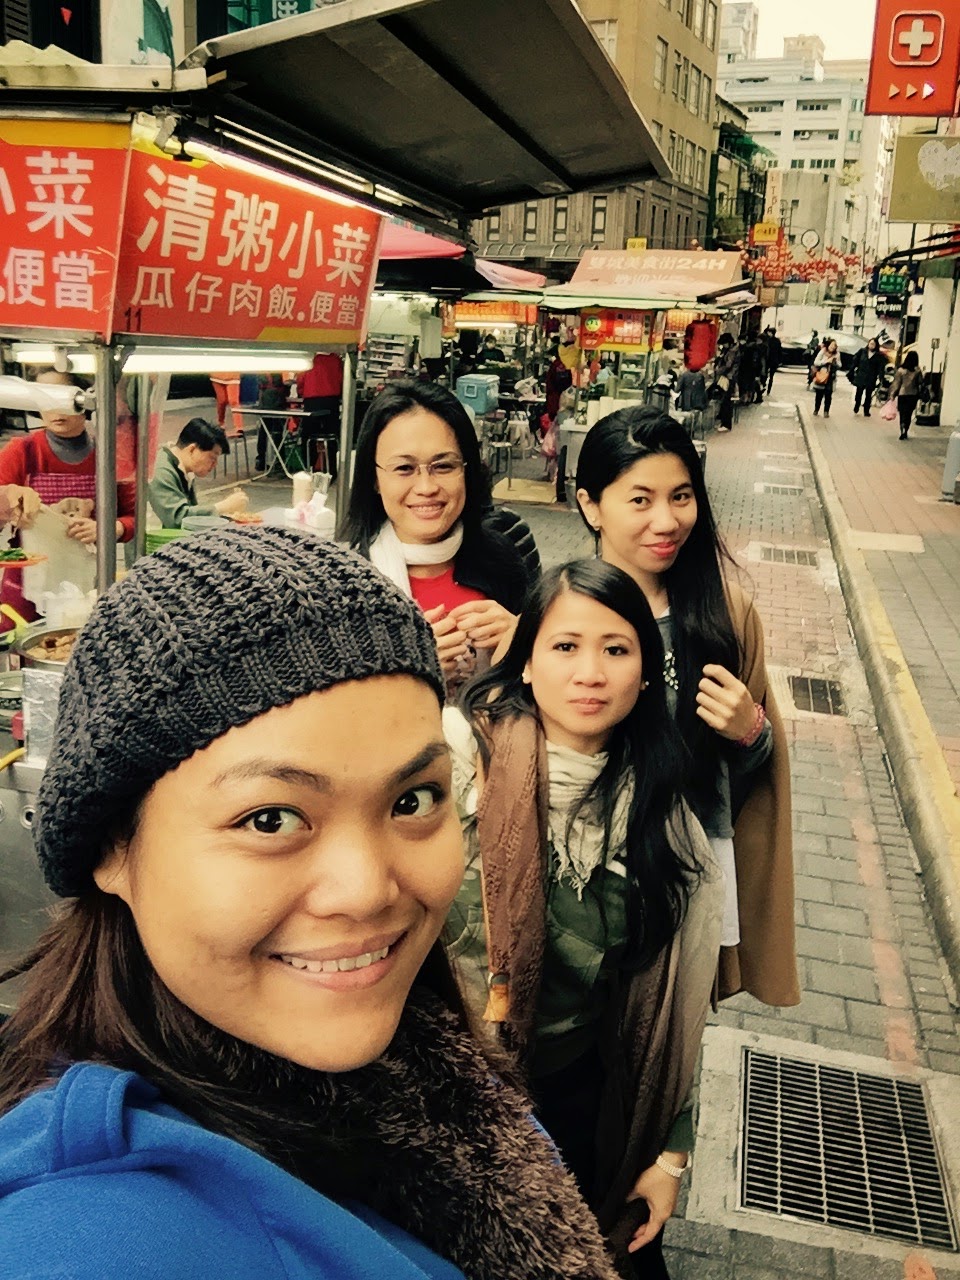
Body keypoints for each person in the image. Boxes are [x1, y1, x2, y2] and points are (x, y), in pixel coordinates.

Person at [0, 529, 619, 1280]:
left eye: (413, 799)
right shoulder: (96, 1239)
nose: (368, 889)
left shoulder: (431, 1063)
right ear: (111, 848)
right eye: (271, 819)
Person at [445, 560, 723, 1278]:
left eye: (616, 649)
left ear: (646, 671)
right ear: (526, 662)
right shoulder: (451, 774)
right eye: (565, 646)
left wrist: (669, 1155)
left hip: (576, 1100)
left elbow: (673, 1010)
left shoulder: (663, 819)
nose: (590, 673)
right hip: (442, 1095)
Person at [575, 408, 799, 1011]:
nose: (667, 521)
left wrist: (749, 732)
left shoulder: (726, 613)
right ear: (591, 506)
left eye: (681, 496)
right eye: (640, 500)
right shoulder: (562, 614)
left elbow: (754, 780)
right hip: (580, 887)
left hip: (685, 884)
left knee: (669, 1052)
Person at [339, 381, 538, 689]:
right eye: (404, 468)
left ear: (467, 470)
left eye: (443, 466)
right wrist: (416, 673)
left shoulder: (505, 558)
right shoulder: (343, 583)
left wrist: (523, 643)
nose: (426, 487)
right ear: (374, 478)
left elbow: (548, 688)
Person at [0, 368, 135, 633]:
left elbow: (133, 516)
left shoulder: (110, 454)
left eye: (61, 397)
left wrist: (109, 529)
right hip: (25, 592)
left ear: (85, 399)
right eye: (43, 398)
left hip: (87, 588)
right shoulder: (22, 451)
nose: (54, 409)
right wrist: (7, 500)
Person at [148, 419, 247, 529]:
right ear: (192, 450)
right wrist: (222, 507)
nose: (215, 464)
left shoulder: (185, 469)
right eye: (212, 458)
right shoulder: (162, 470)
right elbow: (177, 519)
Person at [297, 353, 343, 477]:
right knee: (332, 436)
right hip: (331, 400)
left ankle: (308, 468)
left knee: (308, 436)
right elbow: (341, 379)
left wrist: (301, 391)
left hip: (311, 401)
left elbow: (300, 380)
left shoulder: (308, 359)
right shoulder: (335, 359)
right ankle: (332, 469)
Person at [253, 373, 290, 473]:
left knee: (264, 431)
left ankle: (261, 459)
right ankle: (280, 460)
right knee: (277, 432)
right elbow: (285, 383)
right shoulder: (279, 372)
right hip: (277, 402)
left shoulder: (264, 372)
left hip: (265, 403)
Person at [887, 350, 925, 440]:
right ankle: (906, 430)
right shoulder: (917, 370)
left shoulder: (901, 370)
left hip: (902, 394)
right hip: (913, 394)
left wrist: (892, 394)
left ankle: (902, 430)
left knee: (902, 413)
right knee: (909, 413)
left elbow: (897, 383)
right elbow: (920, 382)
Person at [849, 338, 886, 418]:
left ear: (876, 345)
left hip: (871, 377)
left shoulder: (879, 356)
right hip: (861, 375)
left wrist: (881, 377)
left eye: (873, 344)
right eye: (870, 343)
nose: (871, 345)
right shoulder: (862, 351)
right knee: (859, 392)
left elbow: (881, 368)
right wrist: (852, 370)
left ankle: (866, 410)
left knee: (868, 394)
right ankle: (857, 405)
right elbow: (855, 361)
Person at [710, 334, 739, 432]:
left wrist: (718, 370)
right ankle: (724, 423)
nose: (723, 345)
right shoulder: (730, 350)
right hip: (727, 377)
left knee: (726, 401)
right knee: (725, 401)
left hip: (728, 378)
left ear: (728, 343)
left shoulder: (732, 352)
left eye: (724, 343)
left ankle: (726, 424)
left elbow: (728, 365)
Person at [811, 339, 841, 418]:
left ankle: (826, 411)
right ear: (828, 345)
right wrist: (826, 361)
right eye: (831, 345)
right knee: (819, 394)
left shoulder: (837, 354)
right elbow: (816, 362)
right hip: (822, 375)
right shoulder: (823, 351)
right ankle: (816, 409)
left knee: (828, 394)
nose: (833, 347)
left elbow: (840, 365)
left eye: (834, 346)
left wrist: (835, 361)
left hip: (831, 376)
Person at [763, 328, 782, 396]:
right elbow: (780, 351)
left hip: (768, 360)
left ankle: (764, 387)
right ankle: (768, 389)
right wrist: (779, 360)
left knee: (765, 375)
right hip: (774, 360)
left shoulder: (767, 340)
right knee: (771, 376)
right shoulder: (777, 341)